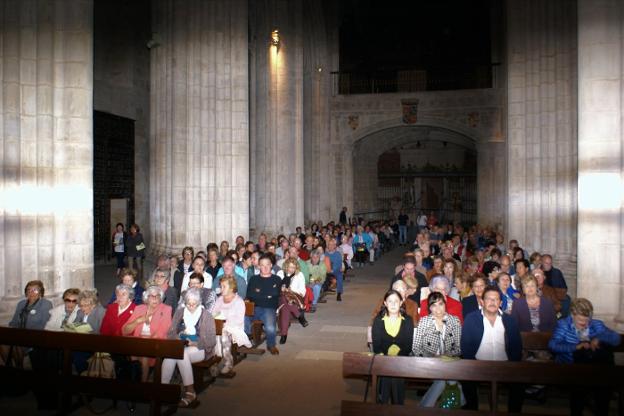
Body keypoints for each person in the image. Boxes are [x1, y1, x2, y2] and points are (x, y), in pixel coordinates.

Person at [548, 298, 621, 416]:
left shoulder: (596, 324)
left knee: (603, 357)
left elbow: (616, 339)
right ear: (572, 315)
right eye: (580, 320)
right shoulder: (564, 324)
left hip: (594, 367)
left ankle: (601, 408)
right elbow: (553, 345)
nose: (585, 324)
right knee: (583, 363)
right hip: (570, 366)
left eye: (587, 320)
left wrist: (599, 338)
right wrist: (575, 347)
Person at [461, 286, 523, 412]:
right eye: (489, 299)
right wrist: (472, 364)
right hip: (478, 364)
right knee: (465, 377)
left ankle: (514, 412)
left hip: (505, 365)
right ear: (482, 302)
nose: (492, 302)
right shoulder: (471, 319)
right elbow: (466, 346)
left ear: (500, 303)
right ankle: (473, 410)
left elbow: (516, 346)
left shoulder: (509, 320)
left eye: (496, 300)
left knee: (520, 381)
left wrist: (512, 365)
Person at [162, 288, 216, 408]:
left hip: (201, 348)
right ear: (185, 302)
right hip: (182, 345)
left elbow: (211, 340)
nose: (191, 307)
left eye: (194, 304)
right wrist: (179, 336)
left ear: (199, 303)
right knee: (170, 356)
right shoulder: (180, 312)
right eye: (188, 304)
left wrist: (195, 343)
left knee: (182, 355)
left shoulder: (206, 315)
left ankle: (190, 392)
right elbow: (170, 333)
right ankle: (163, 388)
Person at [412, 292, 462, 407]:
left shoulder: (455, 321)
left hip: (449, 361)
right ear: (429, 308)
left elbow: (459, 348)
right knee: (450, 379)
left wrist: (445, 357)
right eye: (434, 305)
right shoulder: (424, 321)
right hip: (428, 361)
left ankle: (424, 408)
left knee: (444, 378)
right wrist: (431, 358)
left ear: (445, 304)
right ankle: (458, 402)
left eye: (440, 304)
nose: (438, 309)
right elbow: (416, 347)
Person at [371, 290, 414, 404]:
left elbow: (408, 346)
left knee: (395, 374)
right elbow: (377, 346)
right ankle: (386, 404)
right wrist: (387, 360)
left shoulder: (408, 320)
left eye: (396, 301)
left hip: (401, 360)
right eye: (390, 301)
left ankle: (394, 404)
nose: (393, 304)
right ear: (385, 303)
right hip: (383, 360)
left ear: (401, 303)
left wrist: (396, 360)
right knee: (387, 373)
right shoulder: (379, 320)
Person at [122, 285, 173, 381]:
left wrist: (145, 341)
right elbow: (125, 330)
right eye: (151, 296)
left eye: (157, 296)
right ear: (146, 298)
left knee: (144, 356)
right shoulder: (139, 308)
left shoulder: (166, 309)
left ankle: (143, 386)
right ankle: (134, 385)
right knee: (134, 356)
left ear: (160, 298)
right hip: (138, 344)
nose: (154, 298)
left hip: (156, 344)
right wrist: (137, 321)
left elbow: (163, 331)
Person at [212, 275, 252, 375]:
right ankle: (215, 360)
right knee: (211, 333)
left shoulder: (238, 301)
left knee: (223, 335)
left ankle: (228, 362)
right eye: (220, 286)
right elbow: (214, 313)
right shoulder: (220, 299)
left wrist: (224, 322)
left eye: (223, 286)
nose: (221, 289)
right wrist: (219, 319)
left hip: (235, 328)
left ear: (231, 288)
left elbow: (239, 320)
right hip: (220, 326)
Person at [246, 254, 282, 355]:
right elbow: (250, 295)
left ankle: (271, 345)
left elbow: (275, 294)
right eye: (262, 265)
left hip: (269, 308)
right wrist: (267, 295)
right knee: (241, 318)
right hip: (254, 307)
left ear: (271, 265)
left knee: (270, 327)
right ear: (259, 266)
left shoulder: (277, 279)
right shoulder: (253, 279)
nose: (265, 267)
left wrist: (259, 293)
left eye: (267, 265)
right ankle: (246, 340)